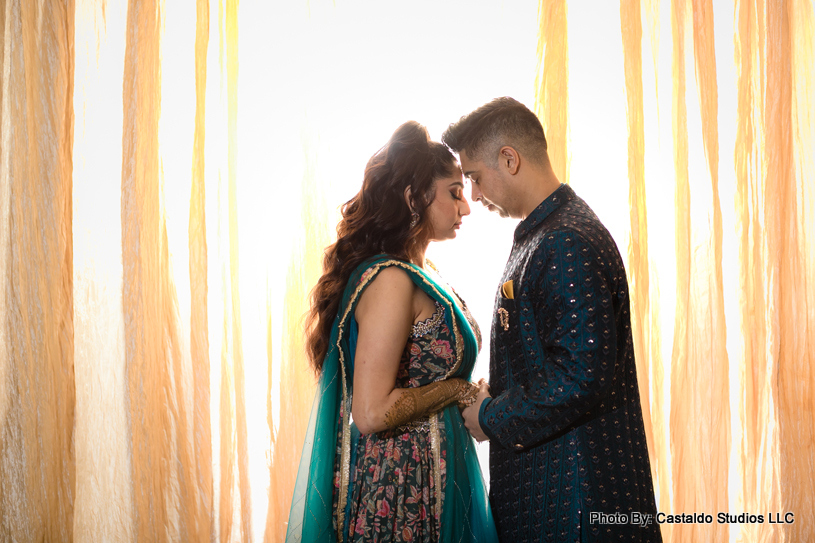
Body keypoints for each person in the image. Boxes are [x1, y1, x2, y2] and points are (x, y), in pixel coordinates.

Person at [442, 98, 662, 542]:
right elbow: (549, 358)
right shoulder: (545, 232)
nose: (476, 196)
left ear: (510, 158)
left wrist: (491, 416)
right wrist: (496, 389)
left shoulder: (564, 239)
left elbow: (580, 376)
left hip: (579, 503)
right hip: (556, 496)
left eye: (476, 179)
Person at [285, 121, 499, 543]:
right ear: (414, 197)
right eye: (454, 192)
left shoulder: (421, 272)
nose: (467, 206)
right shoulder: (390, 280)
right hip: (401, 488)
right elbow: (370, 413)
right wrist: (457, 391)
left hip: (433, 477)